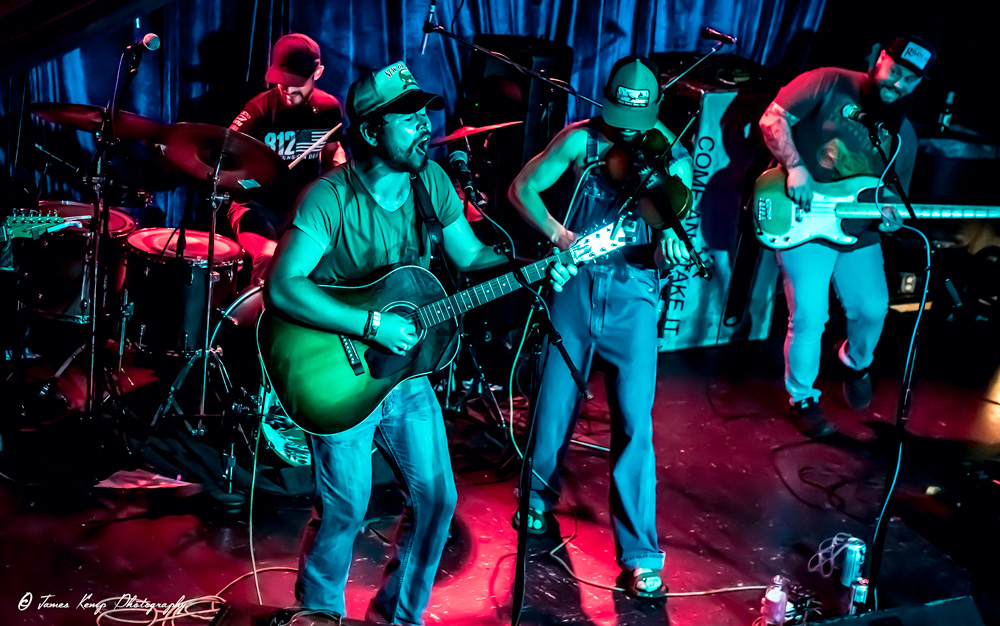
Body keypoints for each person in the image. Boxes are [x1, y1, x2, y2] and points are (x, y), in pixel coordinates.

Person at [264, 61, 575, 625]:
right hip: (341, 374)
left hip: (408, 376)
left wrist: (533, 265)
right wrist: (371, 326)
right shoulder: (327, 198)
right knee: (343, 508)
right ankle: (318, 612)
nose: (423, 126)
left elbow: (471, 257)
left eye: (422, 114)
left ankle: (399, 616)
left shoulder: (431, 181)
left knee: (437, 501)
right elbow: (283, 288)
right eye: (405, 118)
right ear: (369, 130)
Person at [507, 56, 693, 599]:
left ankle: (639, 553)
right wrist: (559, 235)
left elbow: (664, 237)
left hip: (633, 297)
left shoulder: (673, 159)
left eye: (637, 124)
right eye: (618, 119)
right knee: (552, 403)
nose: (627, 134)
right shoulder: (580, 140)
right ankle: (536, 498)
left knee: (636, 423)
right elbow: (522, 189)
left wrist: (669, 245)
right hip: (576, 285)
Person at [757, 35, 937, 435]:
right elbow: (772, 118)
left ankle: (855, 364)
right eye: (896, 71)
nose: (899, 84)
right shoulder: (827, 81)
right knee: (809, 315)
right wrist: (795, 166)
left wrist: (891, 219)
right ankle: (802, 396)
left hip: (858, 233)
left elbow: (891, 195)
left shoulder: (903, 136)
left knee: (873, 309)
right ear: (880, 59)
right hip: (803, 221)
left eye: (911, 80)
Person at [228, 33, 347, 284]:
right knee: (269, 259)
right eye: (283, 82)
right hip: (255, 207)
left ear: (318, 73)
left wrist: (339, 180)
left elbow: (332, 152)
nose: (289, 90)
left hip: (302, 210)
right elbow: (225, 159)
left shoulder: (328, 108)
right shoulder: (258, 109)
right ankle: (256, 320)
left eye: (297, 83)